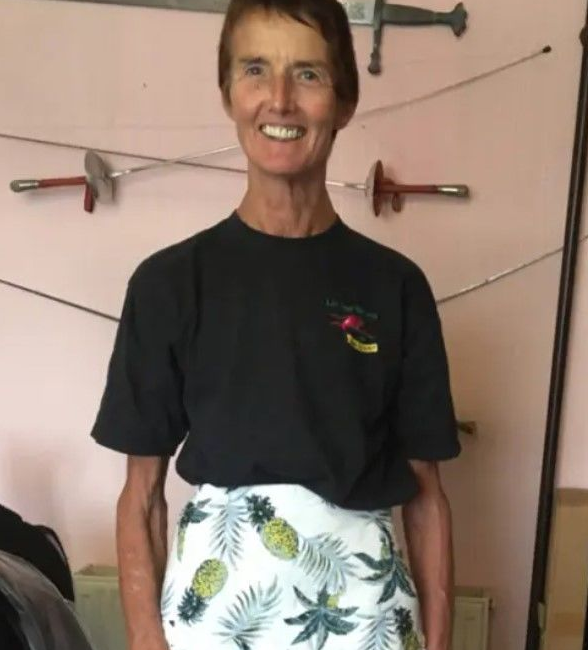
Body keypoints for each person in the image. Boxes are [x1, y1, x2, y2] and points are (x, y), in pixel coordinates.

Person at [89, 1, 461, 649]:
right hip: (215, 612)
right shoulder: (168, 284)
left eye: (309, 74)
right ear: (228, 93)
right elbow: (142, 494)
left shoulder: (396, 287)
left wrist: (438, 642)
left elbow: (426, 491)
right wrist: (148, 642)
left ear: (344, 102)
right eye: (255, 70)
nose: (280, 99)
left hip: (364, 617)